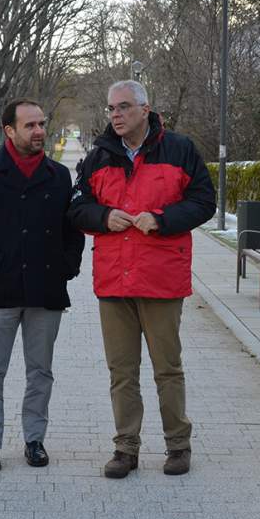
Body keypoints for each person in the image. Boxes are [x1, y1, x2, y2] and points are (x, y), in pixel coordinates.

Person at [68, 80, 216, 478]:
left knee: (167, 367)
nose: (115, 115)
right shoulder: (98, 156)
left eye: (123, 107)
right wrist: (102, 217)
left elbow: (205, 202)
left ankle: (178, 446)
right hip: (114, 279)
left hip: (161, 278)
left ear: (145, 109)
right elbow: (77, 207)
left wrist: (164, 220)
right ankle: (125, 448)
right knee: (122, 371)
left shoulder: (180, 149)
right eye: (111, 109)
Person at [0, 98, 85, 472]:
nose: (39, 131)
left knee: (40, 372)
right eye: (30, 125)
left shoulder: (59, 175)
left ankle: (34, 440)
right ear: (9, 130)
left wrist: (67, 267)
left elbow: (72, 229)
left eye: (42, 124)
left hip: (46, 291)